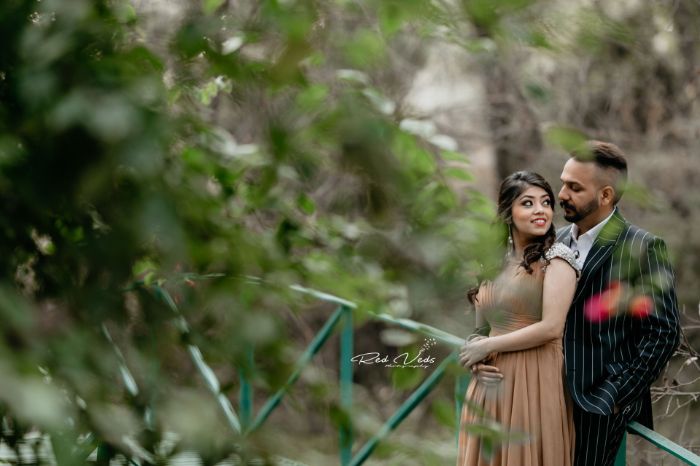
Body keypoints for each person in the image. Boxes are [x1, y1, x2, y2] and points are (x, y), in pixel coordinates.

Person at [462, 141, 681, 466]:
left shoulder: (641, 247)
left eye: (575, 187)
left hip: (595, 403)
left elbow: (663, 333)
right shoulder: (554, 240)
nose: (562, 194)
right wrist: (481, 353)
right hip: (539, 394)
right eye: (563, 183)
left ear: (605, 195)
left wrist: (616, 395)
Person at [457, 171, 581, 466]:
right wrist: (476, 360)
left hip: (535, 380)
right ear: (508, 212)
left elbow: (552, 327)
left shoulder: (557, 258)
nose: (541, 210)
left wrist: (487, 346)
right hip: (490, 387)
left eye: (546, 202)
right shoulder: (492, 262)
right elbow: (482, 330)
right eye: (528, 203)